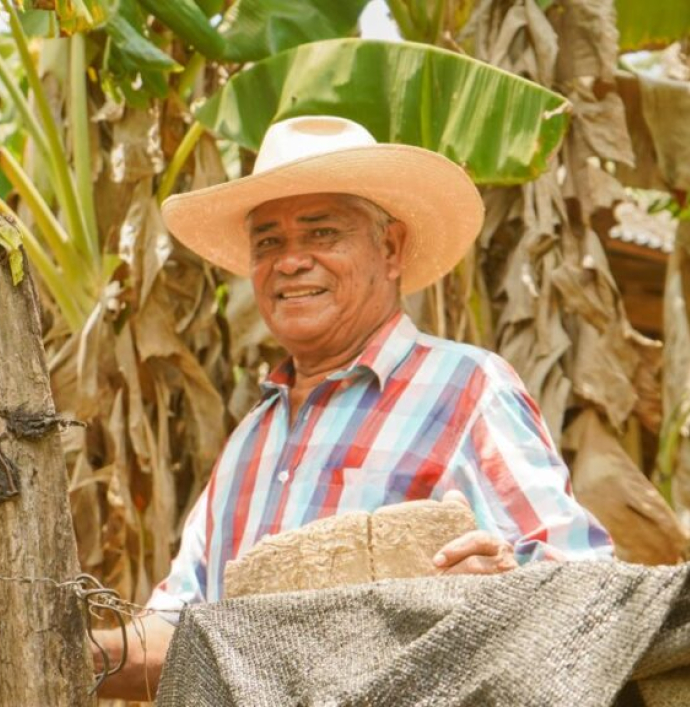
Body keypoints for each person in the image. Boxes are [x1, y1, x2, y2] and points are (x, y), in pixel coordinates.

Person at [93, 115, 614, 701]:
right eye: (269, 242)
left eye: (321, 234)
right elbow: (185, 628)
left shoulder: (464, 388)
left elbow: (583, 577)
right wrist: (70, 651)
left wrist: (501, 589)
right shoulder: (251, 440)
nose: (290, 262)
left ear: (389, 248)